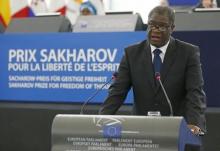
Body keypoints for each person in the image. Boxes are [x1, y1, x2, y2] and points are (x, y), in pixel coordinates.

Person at [99, 5, 206, 142]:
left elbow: (195, 93)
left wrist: (194, 128)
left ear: (172, 28)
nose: (155, 30)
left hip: (177, 130)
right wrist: (100, 120)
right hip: (140, 131)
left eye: (162, 26)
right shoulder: (131, 54)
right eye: (152, 25)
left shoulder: (188, 53)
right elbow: (117, 92)